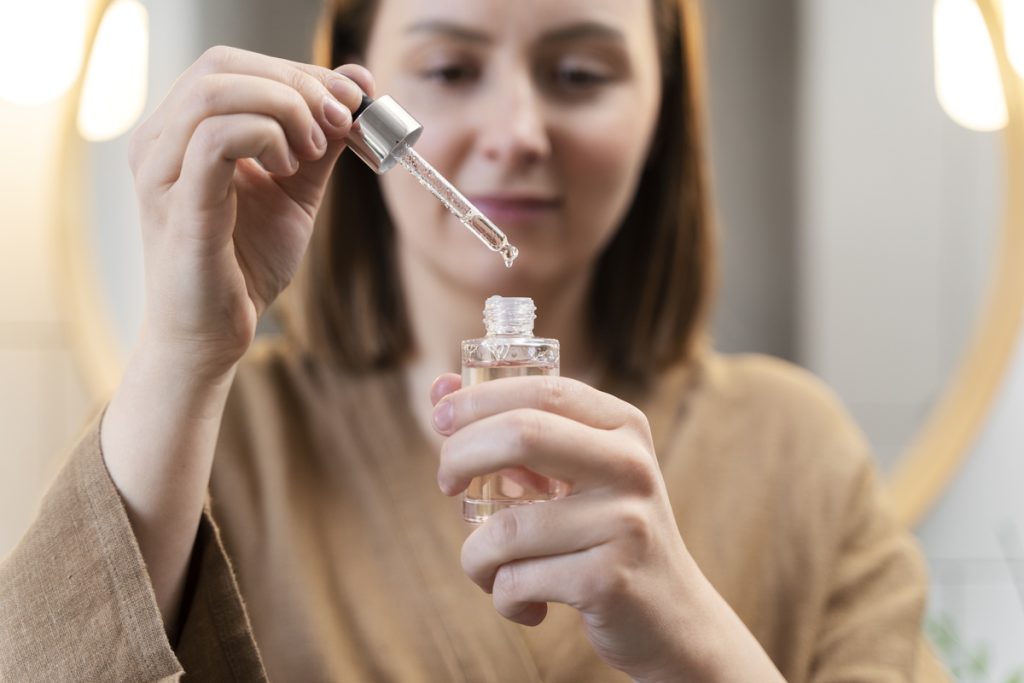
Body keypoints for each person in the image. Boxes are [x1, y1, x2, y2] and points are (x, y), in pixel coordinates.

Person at [0, 0, 948, 680]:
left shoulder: (798, 453)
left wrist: (702, 646)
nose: (516, 131)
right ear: (355, 99)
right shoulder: (221, 440)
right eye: (451, 70)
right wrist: (182, 350)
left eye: (580, 74)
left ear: (665, 100)